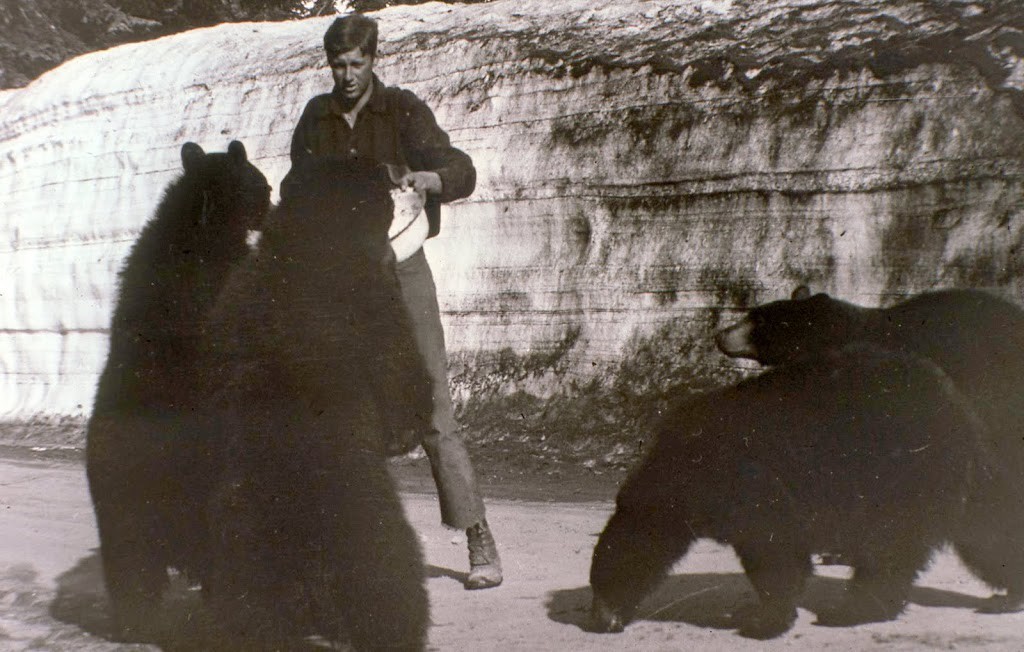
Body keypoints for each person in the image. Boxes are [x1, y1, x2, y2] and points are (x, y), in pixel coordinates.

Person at [283, 13, 502, 590]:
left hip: (403, 271)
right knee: (340, 409)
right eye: (338, 64)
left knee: (432, 401)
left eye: (357, 63)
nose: (348, 74)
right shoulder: (316, 117)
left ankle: (478, 536)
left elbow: (462, 169)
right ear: (329, 63)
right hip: (341, 281)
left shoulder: (403, 110)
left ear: (374, 59)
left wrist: (427, 178)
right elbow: (291, 187)